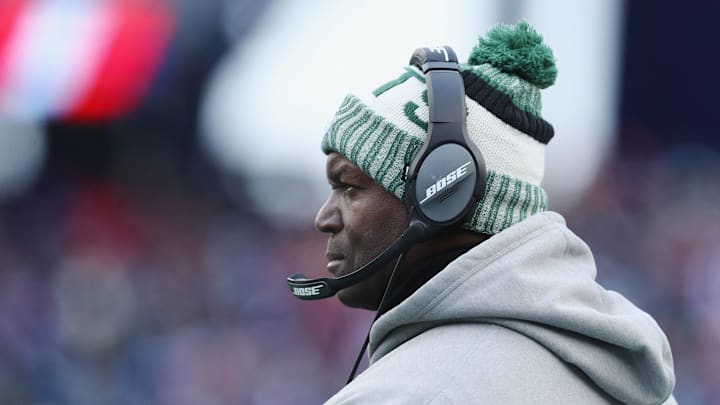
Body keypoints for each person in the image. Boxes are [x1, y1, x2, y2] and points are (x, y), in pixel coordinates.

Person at [305, 21, 676, 404]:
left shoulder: (402, 395)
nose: (324, 218)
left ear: (444, 191)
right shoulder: (641, 386)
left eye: (348, 187)